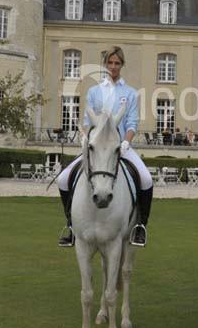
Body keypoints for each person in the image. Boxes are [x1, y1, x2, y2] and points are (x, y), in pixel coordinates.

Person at [56, 46, 154, 247]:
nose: (113, 66)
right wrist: (84, 138)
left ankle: (140, 227)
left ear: (122, 65)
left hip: (120, 147)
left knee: (146, 178)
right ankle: (71, 226)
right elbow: (86, 120)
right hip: (95, 147)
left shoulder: (130, 93)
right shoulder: (94, 91)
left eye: (117, 63)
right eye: (110, 62)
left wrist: (126, 141)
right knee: (63, 178)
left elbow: (133, 123)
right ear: (105, 64)